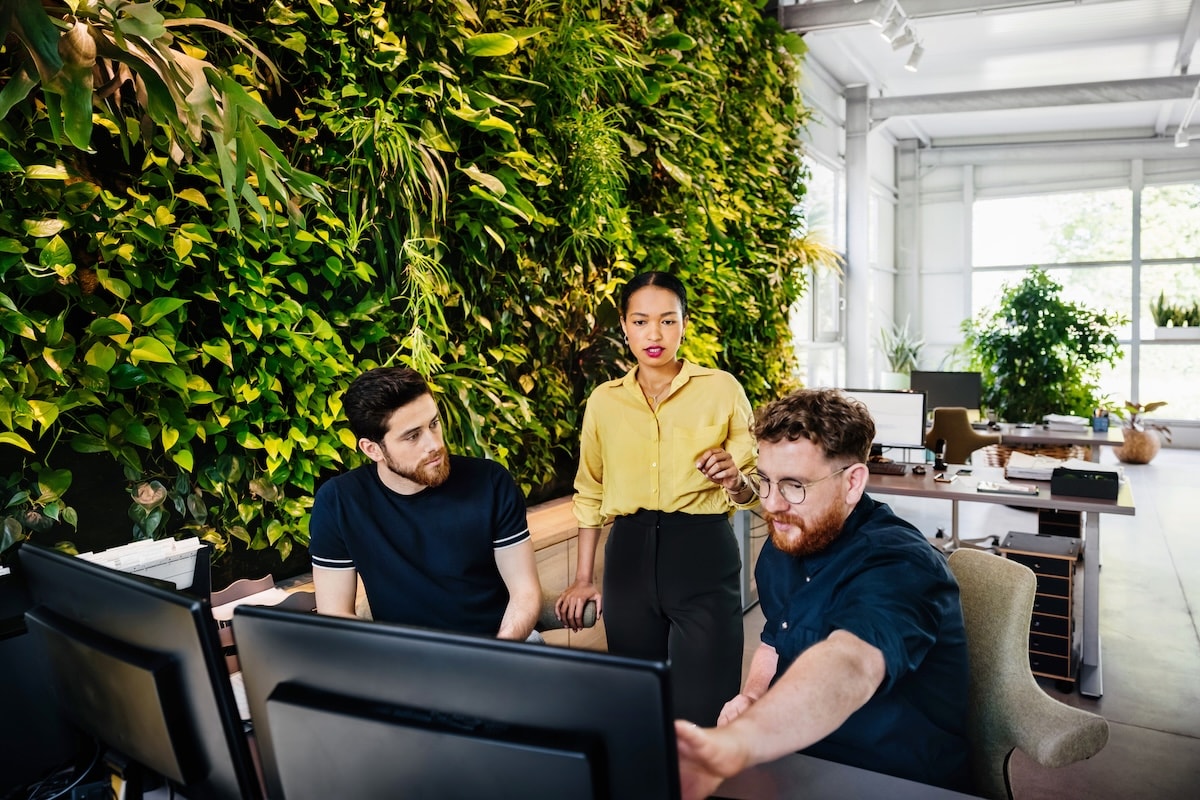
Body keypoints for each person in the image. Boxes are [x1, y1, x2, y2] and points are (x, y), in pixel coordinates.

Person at [674, 388, 970, 799]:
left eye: (794, 485)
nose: (773, 504)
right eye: (765, 480)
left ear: (852, 483)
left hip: (892, 776)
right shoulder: (787, 544)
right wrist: (752, 696)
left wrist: (740, 743)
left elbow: (850, 663)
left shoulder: (900, 564)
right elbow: (775, 639)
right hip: (802, 762)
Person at [555, 271, 756, 726]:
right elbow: (590, 490)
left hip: (702, 554)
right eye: (641, 321)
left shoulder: (721, 389)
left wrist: (735, 480)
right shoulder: (604, 401)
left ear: (685, 324)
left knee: (706, 711)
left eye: (667, 321)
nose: (654, 334)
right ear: (624, 327)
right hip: (628, 557)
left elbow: (755, 484)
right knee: (637, 703)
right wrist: (585, 577)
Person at [308, 366, 542, 641]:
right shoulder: (338, 502)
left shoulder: (490, 482)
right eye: (412, 435)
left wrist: (494, 656)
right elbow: (335, 616)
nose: (433, 444)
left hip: (500, 645)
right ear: (372, 449)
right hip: (403, 663)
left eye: (433, 424)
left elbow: (525, 592)